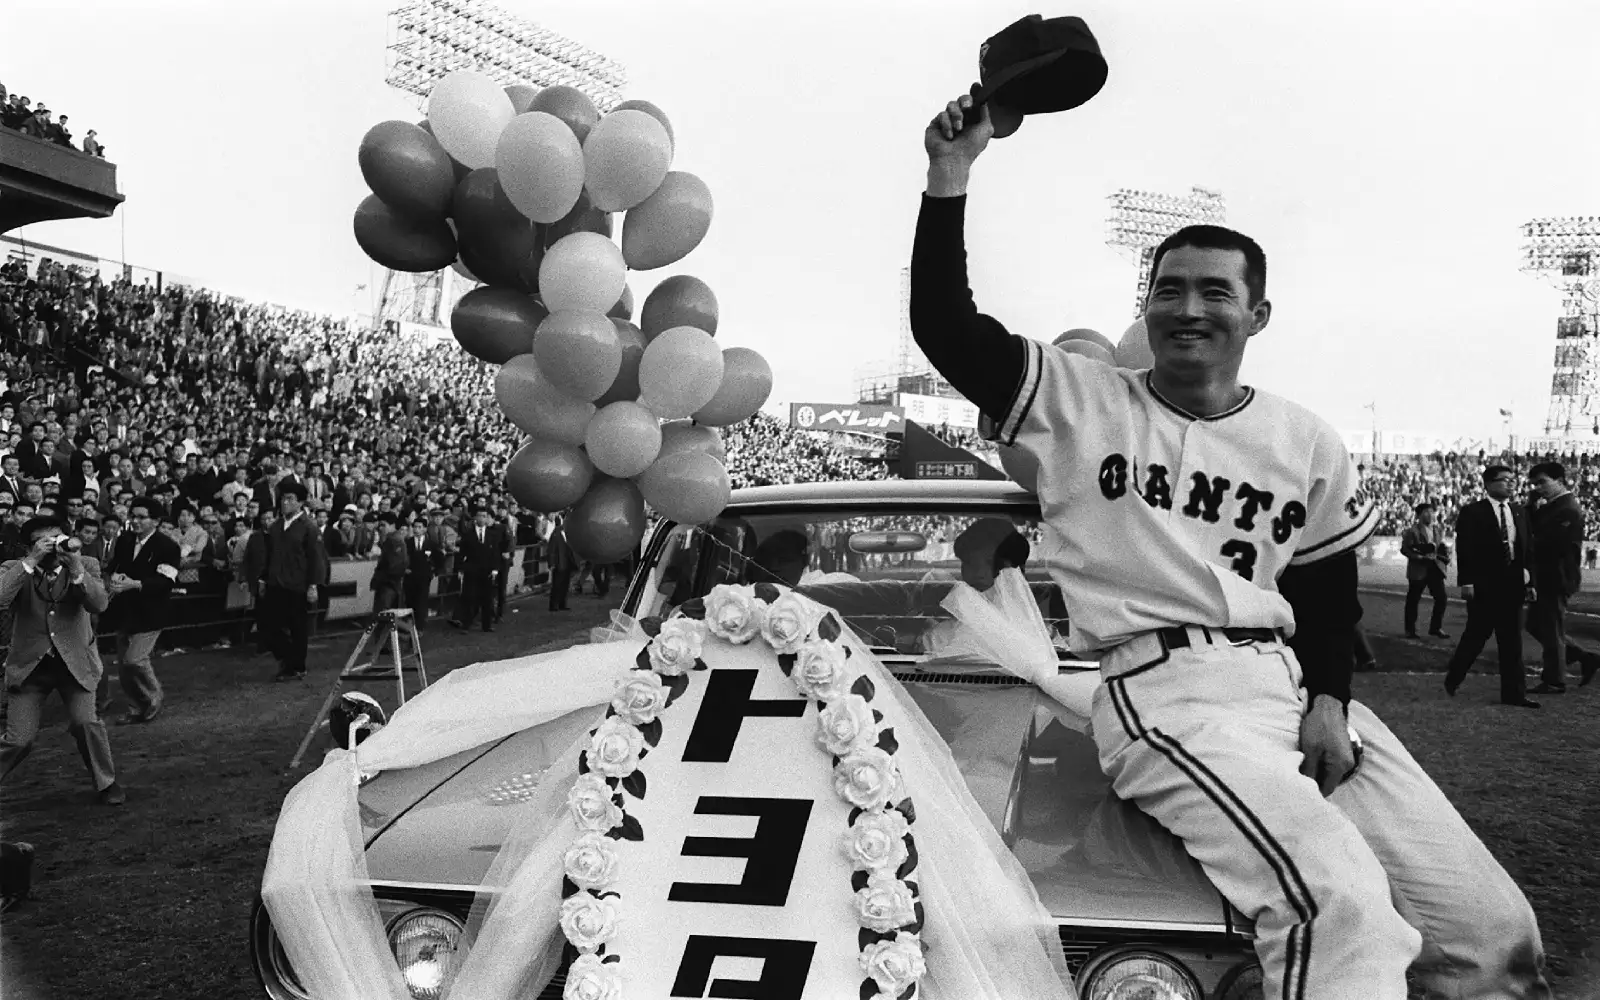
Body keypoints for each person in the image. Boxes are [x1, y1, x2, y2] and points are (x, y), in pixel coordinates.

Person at [911, 92, 1546, 999]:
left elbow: (1324, 591)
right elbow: (945, 325)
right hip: (1165, 691)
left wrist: (1329, 698)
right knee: (1338, 910)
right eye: (1167, 289)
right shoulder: (1080, 398)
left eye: (1215, 291)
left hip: (1288, 689)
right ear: (1145, 308)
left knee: (1490, 932)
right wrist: (950, 174)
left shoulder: (1305, 438)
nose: (1187, 307)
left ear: (1259, 314)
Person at [0, 514, 124, 804]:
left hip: (75, 664)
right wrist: (31, 561)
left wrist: (76, 567)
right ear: (27, 546)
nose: (51, 547)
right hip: (30, 666)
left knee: (86, 724)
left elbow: (99, 604)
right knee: (19, 739)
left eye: (56, 539)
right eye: (41, 542)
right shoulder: (13, 568)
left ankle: (106, 783)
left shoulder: (86, 564)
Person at [1442, 465, 1540, 707]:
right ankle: (1454, 676)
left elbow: (1527, 549)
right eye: (1504, 479)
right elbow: (1465, 549)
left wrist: (1531, 582)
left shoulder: (1519, 512)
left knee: (1512, 642)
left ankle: (1514, 694)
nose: (1511, 483)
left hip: (1513, 585)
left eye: (1513, 479)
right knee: (1476, 636)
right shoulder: (1473, 512)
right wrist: (1466, 581)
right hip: (1484, 585)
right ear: (1488, 484)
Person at [102, 496, 181, 725]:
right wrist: (112, 577)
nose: (135, 521)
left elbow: (165, 581)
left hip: (152, 612)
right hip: (125, 611)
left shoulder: (168, 547)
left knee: (134, 660)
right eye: (133, 516)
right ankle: (137, 707)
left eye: (141, 517)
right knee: (124, 666)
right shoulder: (125, 540)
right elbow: (115, 565)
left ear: (155, 521)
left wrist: (135, 584)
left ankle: (153, 698)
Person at [1525, 462, 1599, 692]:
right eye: (1535, 484)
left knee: (1550, 627)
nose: (1538, 488)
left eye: (1542, 482)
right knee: (1535, 624)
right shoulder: (1552, 506)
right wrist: (1530, 505)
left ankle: (1555, 680)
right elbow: (1530, 526)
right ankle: (1584, 657)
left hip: (1557, 575)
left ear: (1559, 480)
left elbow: (1552, 544)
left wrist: (1527, 546)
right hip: (1548, 574)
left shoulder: (1567, 508)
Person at [261, 482, 327, 681]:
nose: (285, 503)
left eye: (290, 499)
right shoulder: (276, 527)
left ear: (300, 503)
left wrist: (313, 585)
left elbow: (316, 558)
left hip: (298, 586)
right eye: (283, 498)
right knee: (268, 625)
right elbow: (268, 555)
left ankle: (296, 666)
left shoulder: (309, 527)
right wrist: (264, 578)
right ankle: (288, 658)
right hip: (275, 583)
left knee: (298, 627)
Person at [1399, 502, 1451, 638]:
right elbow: (1404, 549)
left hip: (1435, 568)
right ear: (1419, 515)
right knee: (1413, 600)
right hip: (1419, 569)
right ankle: (1410, 630)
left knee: (1441, 598)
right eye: (1427, 512)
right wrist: (1418, 557)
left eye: (1432, 512)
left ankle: (1435, 627)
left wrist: (1444, 553)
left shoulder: (1437, 529)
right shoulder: (1412, 531)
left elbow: (1439, 546)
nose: (1430, 514)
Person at [451, 504, 501, 633]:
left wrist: (495, 569)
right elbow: (462, 553)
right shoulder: (468, 534)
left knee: (487, 599)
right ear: (475, 518)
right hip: (471, 570)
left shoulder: (492, 535)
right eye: (479, 516)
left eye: (484, 516)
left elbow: (496, 553)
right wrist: (461, 569)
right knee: (469, 598)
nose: (482, 518)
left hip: (487, 571)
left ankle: (486, 625)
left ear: (487, 518)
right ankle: (466, 625)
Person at [366, 511, 408, 652]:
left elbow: (396, 566)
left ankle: (403, 636)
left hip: (389, 584)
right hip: (388, 583)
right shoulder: (391, 539)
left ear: (392, 525)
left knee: (383, 615)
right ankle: (385, 644)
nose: (380, 528)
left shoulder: (394, 540)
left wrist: (380, 578)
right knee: (385, 615)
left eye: (383, 525)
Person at [403, 517, 439, 627]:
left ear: (425, 529)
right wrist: (404, 569)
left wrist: (434, 572)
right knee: (410, 600)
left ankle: (420, 626)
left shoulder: (431, 544)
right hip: (410, 577)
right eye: (415, 527)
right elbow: (402, 559)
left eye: (419, 527)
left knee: (422, 601)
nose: (416, 529)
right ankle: (409, 626)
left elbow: (439, 559)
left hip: (424, 577)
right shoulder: (407, 543)